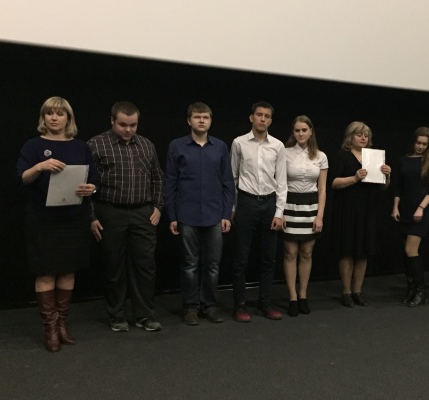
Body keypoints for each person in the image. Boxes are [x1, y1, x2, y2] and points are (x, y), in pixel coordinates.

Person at [16, 96, 98, 352]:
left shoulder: (81, 146)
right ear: (43, 117)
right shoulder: (33, 145)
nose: (54, 118)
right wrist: (40, 166)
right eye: (50, 113)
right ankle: (49, 327)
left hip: (73, 218)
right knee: (45, 272)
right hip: (43, 219)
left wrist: (91, 188)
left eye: (60, 114)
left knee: (68, 271)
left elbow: (94, 179)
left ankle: (62, 323)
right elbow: (23, 177)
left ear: (68, 119)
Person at [88, 101, 164, 332]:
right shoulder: (96, 144)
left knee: (145, 266)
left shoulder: (147, 145)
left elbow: (157, 177)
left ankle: (145, 315)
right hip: (110, 211)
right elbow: (85, 183)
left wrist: (158, 206)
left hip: (143, 212)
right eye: (123, 124)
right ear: (112, 121)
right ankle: (117, 316)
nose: (128, 129)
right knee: (114, 266)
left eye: (133, 125)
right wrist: (91, 216)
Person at [164, 102, 234, 325]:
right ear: (189, 120)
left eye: (205, 117)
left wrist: (226, 214)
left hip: (214, 215)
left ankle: (210, 305)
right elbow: (170, 182)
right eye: (197, 117)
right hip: (187, 215)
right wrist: (172, 215)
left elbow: (227, 182)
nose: (201, 120)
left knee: (212, 265)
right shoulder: (177, 146)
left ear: (211, 121)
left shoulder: (220, 147)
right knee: (190, 264)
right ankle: (190, 307)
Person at [230, 101, 287, 322]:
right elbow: (233, 178)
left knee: (268, 259)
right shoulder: (239, 143)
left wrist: (279, 213)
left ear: (271, 120)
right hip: (246, 203)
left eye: (267, 116)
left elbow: (281, 181)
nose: (263, 119)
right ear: (251, 117)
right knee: (241, 258)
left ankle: (265, 303)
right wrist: (232, 208)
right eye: (259, 115)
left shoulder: (278, 146)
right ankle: (240, 305)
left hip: (269, 204)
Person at [330, 121, 391, 308]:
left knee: (363, 251)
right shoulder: (342, 155)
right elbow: (333, 183)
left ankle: (357, 291)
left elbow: (383, 187)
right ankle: (346, 292)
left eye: (366, 135)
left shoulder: (373, 157)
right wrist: (355, 178)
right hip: (348, 209)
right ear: (350, 137)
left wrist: (387, 176)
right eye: (359, 135)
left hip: (367, 209)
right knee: (347, 250)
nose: (363, 138)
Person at [282, 115, 328, 317]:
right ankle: (292, 297)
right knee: (290, 252)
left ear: (311, 132)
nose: (300, 134)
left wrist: (320, 216)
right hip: (289, 204)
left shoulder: (320, 156)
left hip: (311, 206)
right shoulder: (284, 153)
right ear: (293, 133)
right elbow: (279, 184)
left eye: (304, 130)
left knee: (307, 252)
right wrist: (280, 212)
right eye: (297, 130)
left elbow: (322, 189)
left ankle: (303, 295)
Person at [391, 127, 429, 307]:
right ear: (413, 142)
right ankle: (411, 289)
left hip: (421, 211)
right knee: (406, 252)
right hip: (404, 209)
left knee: (411, 250)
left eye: (425, 144)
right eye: (419, 143)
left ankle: (420, 291)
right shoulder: (404, 160)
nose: (421, 147)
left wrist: (421, 208)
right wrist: (395, 207)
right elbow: (399, 187)